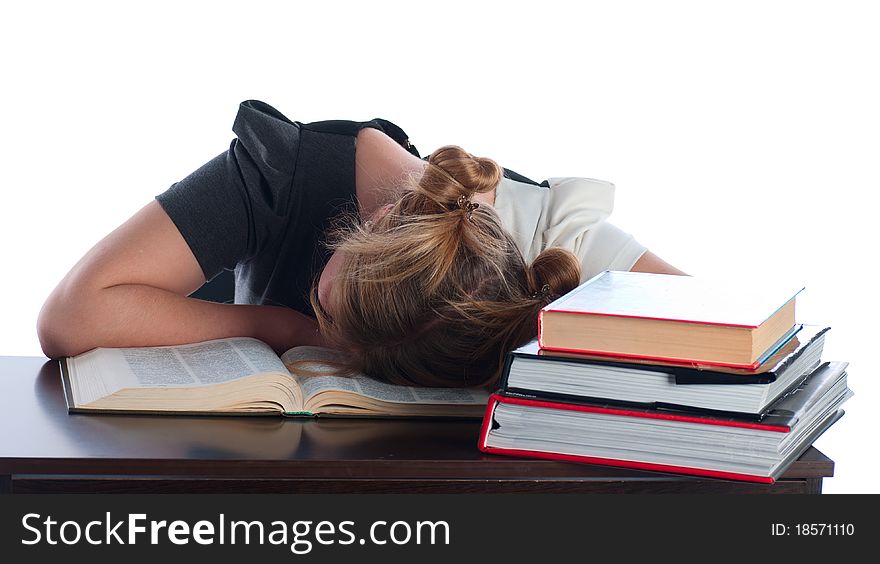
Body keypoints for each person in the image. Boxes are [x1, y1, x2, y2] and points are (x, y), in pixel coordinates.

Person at [37, 100, 685, 387]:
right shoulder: (277, 173)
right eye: (326, 305)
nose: (326, 321)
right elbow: (70, 315)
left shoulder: (560, 241)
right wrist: (288, 326)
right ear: (372, 218)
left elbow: (734, 321)